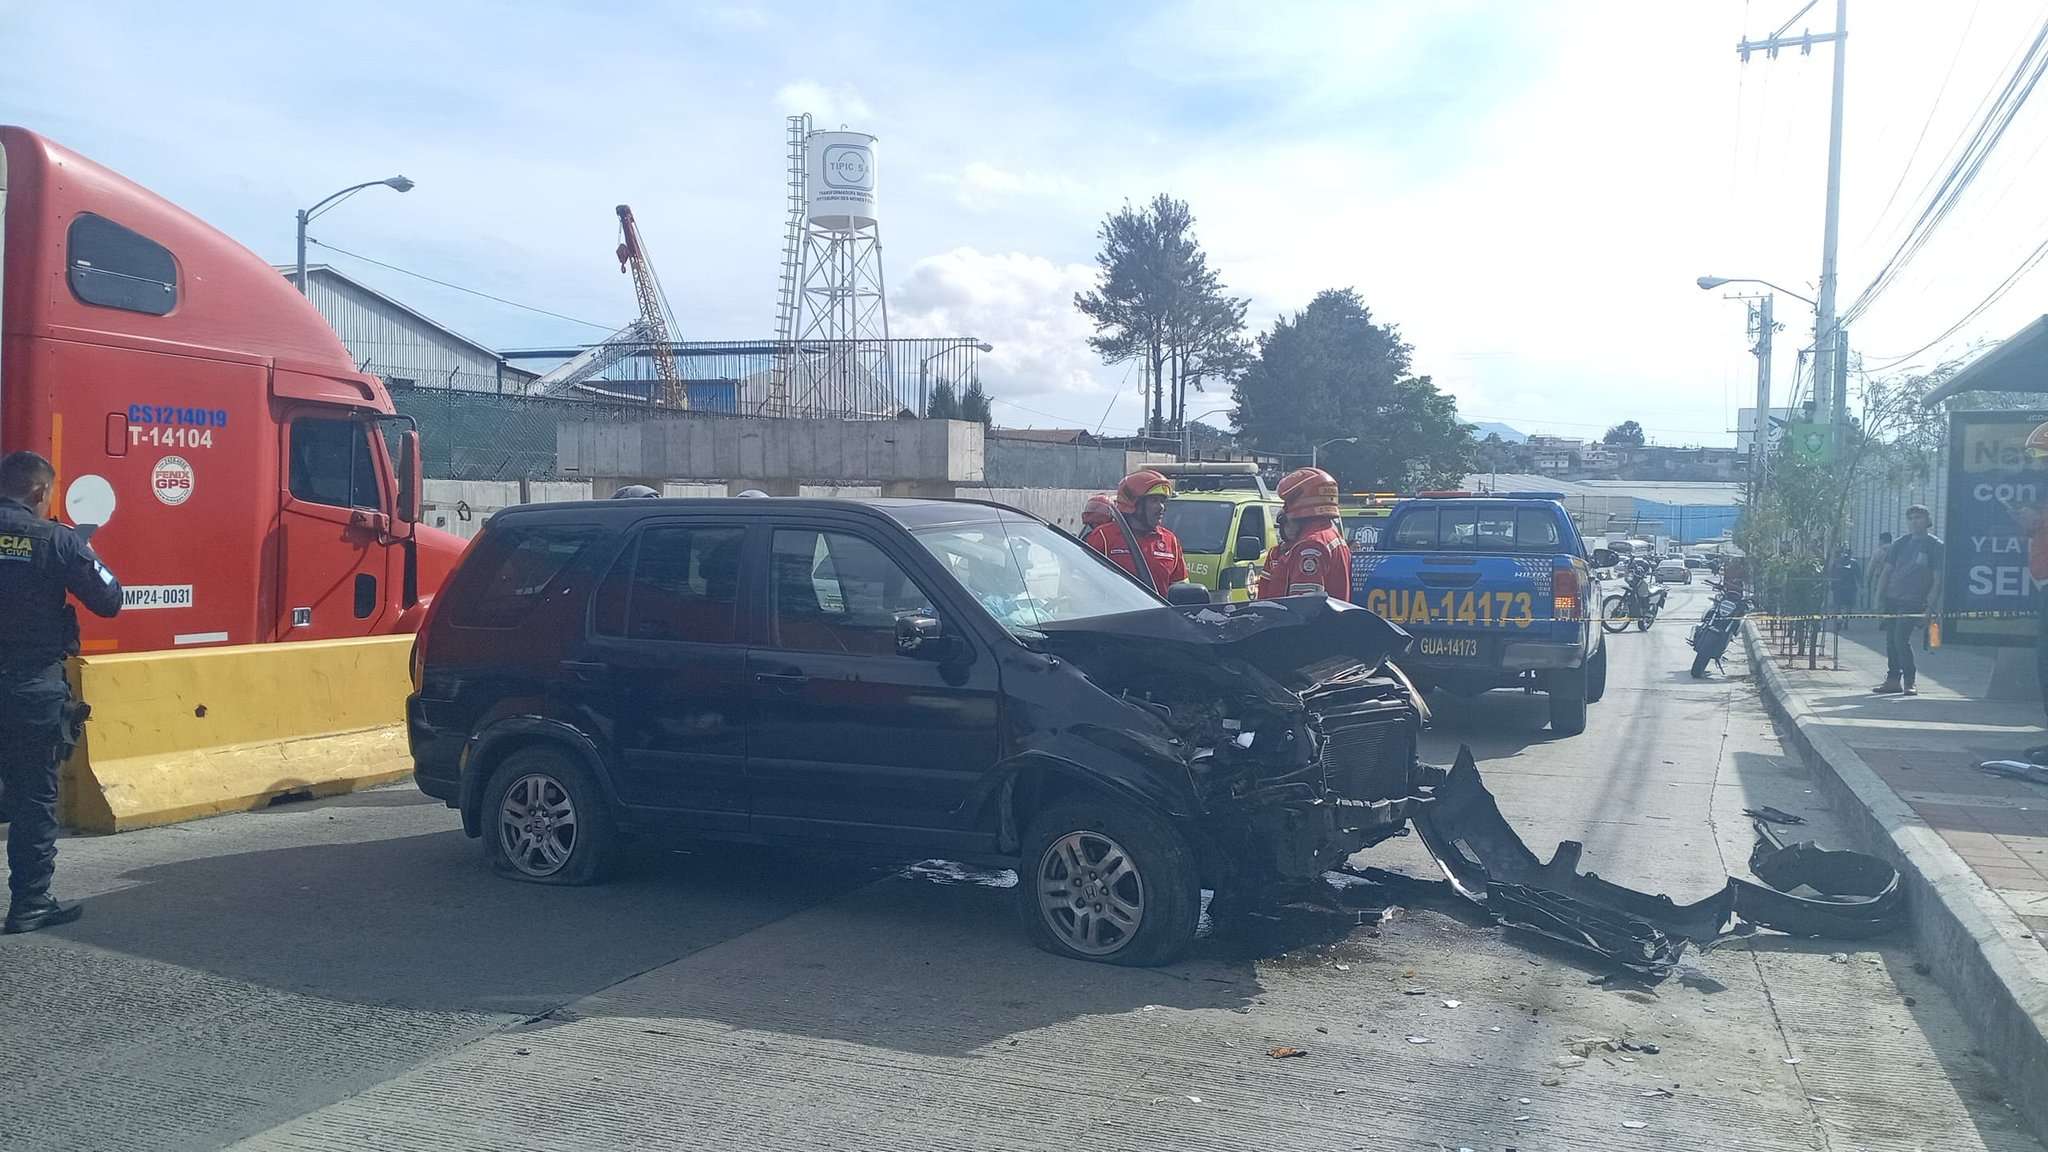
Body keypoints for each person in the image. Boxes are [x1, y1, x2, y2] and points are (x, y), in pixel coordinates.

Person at [0, 450, 122, 933]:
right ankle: (30, 903)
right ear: (38, 492)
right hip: (30, 687)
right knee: (33, 797)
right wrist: (81, 549)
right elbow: (110, 599)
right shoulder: (56, 540)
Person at [1871, 505, 1943, 696]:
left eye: (1918, 517)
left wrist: (1930, 605)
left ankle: (1910, 681)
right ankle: (1893, 679)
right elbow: (1887, 572)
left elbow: (1937, 579)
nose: (1914, 521)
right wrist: (1878, 597)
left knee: (1900, 639)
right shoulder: (1900, 543)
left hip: (1914, 601)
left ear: (1927, 520)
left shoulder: (1935, 546)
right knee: (1890, 641)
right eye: (1910, 518)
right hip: (1892, 598)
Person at [1084, 469, 1186, 596]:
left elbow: (1180, 588)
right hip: (1116, 615)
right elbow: (1084, 586)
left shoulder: (1170, 541)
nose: (1161, 507)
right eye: (1154, 500)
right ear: (1133, 503)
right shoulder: (1103, 537)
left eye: (1162, 501)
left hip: (1159, 616)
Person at [1256, 467, 1351, 600]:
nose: (1284, 509)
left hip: (1305, 621)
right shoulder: (1331, 535)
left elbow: (1302, 606)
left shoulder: (1310, 546)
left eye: (1287, 503)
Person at [1829, 543, 1861, 628]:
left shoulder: (1836, 562)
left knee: (1838, 605)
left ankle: (1839, 621)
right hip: (1849, 587)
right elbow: (1858, 576)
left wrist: (1832, 585)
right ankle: (1845, 621)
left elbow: (1832, 574)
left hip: (1839, 587)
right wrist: (1860, 586)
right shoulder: (1854, 563)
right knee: (1848, 606)